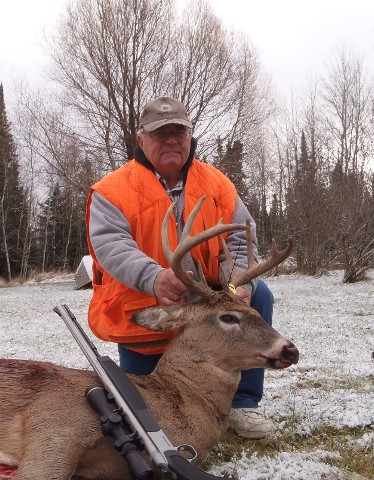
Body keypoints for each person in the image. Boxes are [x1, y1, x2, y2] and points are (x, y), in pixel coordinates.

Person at [86, 96, 277, 439]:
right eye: (161, 134)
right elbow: (111, 247)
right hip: (146, 307)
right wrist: (154, 277)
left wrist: (238, 282)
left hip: (205, 302)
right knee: (146, 407)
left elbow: (240, 240)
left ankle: (242, 403)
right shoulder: (112, 190)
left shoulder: (217, 184)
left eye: (179, 132)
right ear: (141, 139)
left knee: (259, 296)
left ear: (190, 137)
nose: (171, 141)